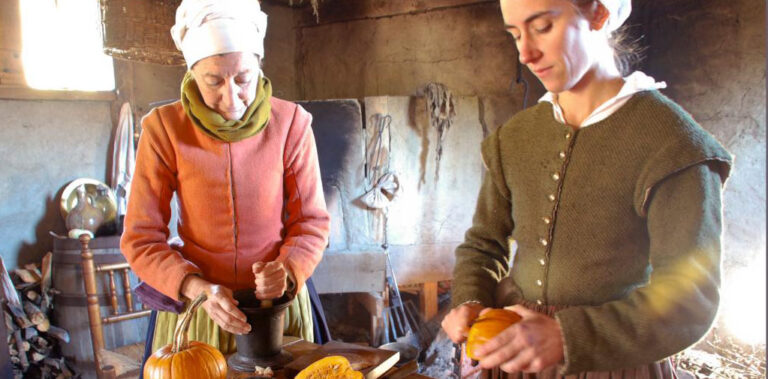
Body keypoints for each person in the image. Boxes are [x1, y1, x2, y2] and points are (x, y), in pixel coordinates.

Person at [442, 0, 732, 377]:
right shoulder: (514, 138)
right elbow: (483, 245)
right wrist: (470, 299)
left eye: (543, 26)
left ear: (598, 14)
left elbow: (689, 300)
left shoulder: (674, 145)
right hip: (514, 362)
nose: (526, 53)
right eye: (515, 35)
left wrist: (567, 336)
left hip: (612, 366)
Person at [120, 0, 330, 354]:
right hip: (203, 308)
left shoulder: (291, 124)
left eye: (244, 79)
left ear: (259, 69)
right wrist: (196, 288)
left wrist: (287, 269)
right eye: (213, 80)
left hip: (278, 309)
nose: (231, 98)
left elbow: (311, 222)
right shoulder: (164, 130)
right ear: (191, 75)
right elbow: (141, 238)